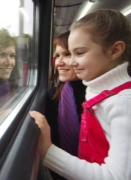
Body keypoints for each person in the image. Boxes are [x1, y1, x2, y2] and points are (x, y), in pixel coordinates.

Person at [30, 9, 131, 180]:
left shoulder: (123, 103)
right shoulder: (95, 90)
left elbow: (116, 176)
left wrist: (48, 151)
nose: (70, 62)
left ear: (114, 51)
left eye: (79, 53)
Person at [45, 31, 86, 180]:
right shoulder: (52, 97)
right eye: (57, 55)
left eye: (67, 54)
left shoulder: (99, 95)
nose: (59, 62)